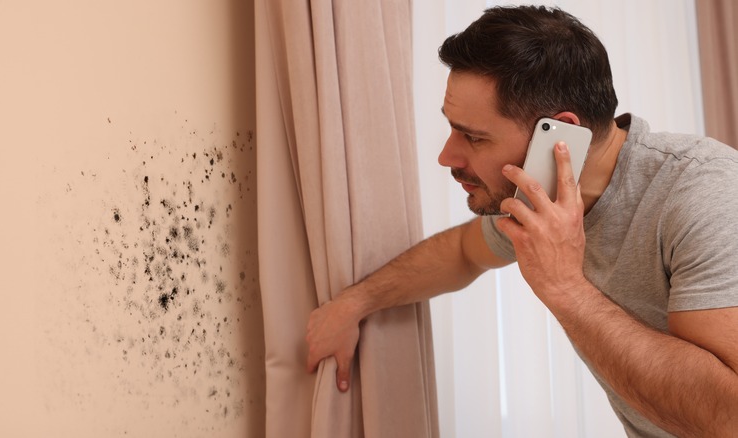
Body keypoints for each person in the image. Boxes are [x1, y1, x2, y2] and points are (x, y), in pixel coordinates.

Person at [304, 5, 738, 437]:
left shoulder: (703, 193)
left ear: (560, 134)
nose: (446, 157)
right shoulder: (543, 198)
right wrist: (353, 303)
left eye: (474, 137)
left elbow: (726, 417)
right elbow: (461, 253)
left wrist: (566, 288)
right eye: (453, 130)